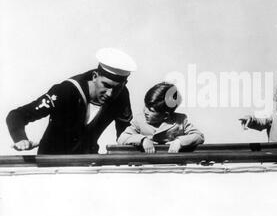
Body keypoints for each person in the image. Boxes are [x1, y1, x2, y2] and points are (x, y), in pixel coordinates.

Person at [6, 48, 137, 154]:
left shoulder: (122, 96)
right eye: (106, 85)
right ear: (95, 76)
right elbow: (17, 115)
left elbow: (125, 133)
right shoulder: (66, 90)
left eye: (117, 88)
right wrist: (20, 139)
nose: (110, 93)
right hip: (51, 164)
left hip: (87, 165)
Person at [117, 82, 204, 153]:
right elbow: (122, 138)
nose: (145, 111)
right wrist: (142, 139)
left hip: (172, 164)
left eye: (151, 110)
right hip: (147, 165)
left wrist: (179, 142)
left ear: (166, 115)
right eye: (146, 106)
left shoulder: (180, 121)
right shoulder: (139, 120)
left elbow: (199, 136)